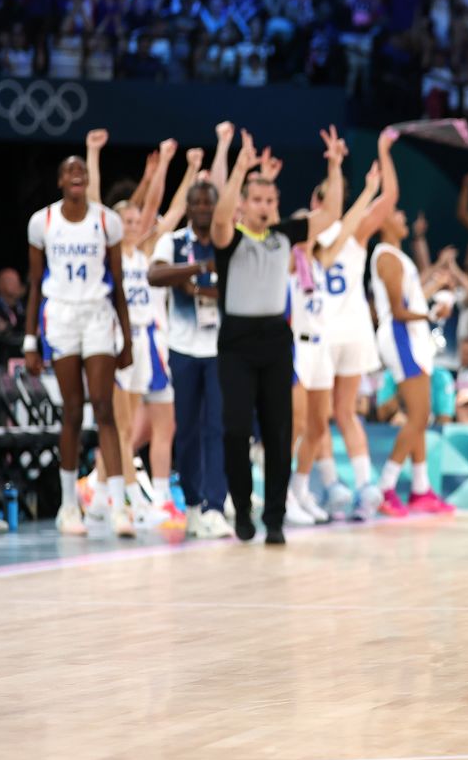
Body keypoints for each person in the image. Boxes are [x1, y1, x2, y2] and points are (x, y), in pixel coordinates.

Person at [210, 126, 344, 544]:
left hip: (274, 338)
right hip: (236, 340)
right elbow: (218, 217)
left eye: (271, 200)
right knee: (235, 429)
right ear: (244, 205)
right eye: (257, 200)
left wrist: (336, 166)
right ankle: (242, 507)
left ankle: (275, 518)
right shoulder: (229, 238)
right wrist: (240, 170)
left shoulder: (285, 235)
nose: (265, 206)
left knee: (278, 431)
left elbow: (330, 216)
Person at [24, 152, 133, 537]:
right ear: (59, 181)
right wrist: (29, 340)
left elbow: (118, 283)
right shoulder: (44, 221)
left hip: (98, 314)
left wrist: (128, 335)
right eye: (70, 170)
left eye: (82, 170)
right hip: (62, 315)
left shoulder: (107, 220)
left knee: (104, 407)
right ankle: (69, 507)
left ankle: (120, 506)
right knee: (71, 410)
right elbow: (35, 283)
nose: (77, 174)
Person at [94, 131, 197, 531]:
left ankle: (104, 493)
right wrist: (163, 167)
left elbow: (166, 211)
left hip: (148, 342)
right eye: (129, 221)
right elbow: (139, 205)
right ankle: (132, 498)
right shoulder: (113, 251)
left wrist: (182, 169)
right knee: (122, 426)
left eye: (139, 221)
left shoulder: (146, 252)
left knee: (136, 425)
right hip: (119, 341)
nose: (137, 224)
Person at [290, 138, 390, 523]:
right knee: (300, 425)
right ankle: (294, 492)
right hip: (298, 348)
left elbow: (346, 223)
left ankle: (302, 492)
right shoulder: (288, 259)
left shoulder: (322, 257)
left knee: (316, 427)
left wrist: (364, 189)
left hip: (320, 346)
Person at [148, 122, 236, 540]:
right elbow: (155, 274)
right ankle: (194, 503)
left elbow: (233, 286)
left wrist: (198, 282)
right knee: (186, 428)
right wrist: (200, 270)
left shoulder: (226, 241)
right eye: (196, 203)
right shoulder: (175, 241)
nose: (202, 209)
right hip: (182, 347)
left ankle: (216, 505)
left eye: (208, 203)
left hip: (220, 348)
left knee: (217, 426)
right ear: (189, 207)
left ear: (217, 207)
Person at [313, 128, 399, 519]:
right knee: (346, 413)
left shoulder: (308, 235)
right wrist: (382, 153)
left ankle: (334, 488)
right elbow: (390, 199)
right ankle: (365, 486)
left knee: (320, 417)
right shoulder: (357, 231)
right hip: (354, 331)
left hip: (323, 332)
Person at [370, 198, 455, 516]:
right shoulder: (388, 257)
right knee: (419, 416)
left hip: (411, 338)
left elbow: (412, 300)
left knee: (420, 414)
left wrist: (434, 290)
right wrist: (432, 313)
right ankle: (384, 488)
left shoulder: (396, 257)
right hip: (401, 338)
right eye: (397, 212)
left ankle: (420, 489)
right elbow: (398, 312)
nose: (403, 215)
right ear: (383, 222)